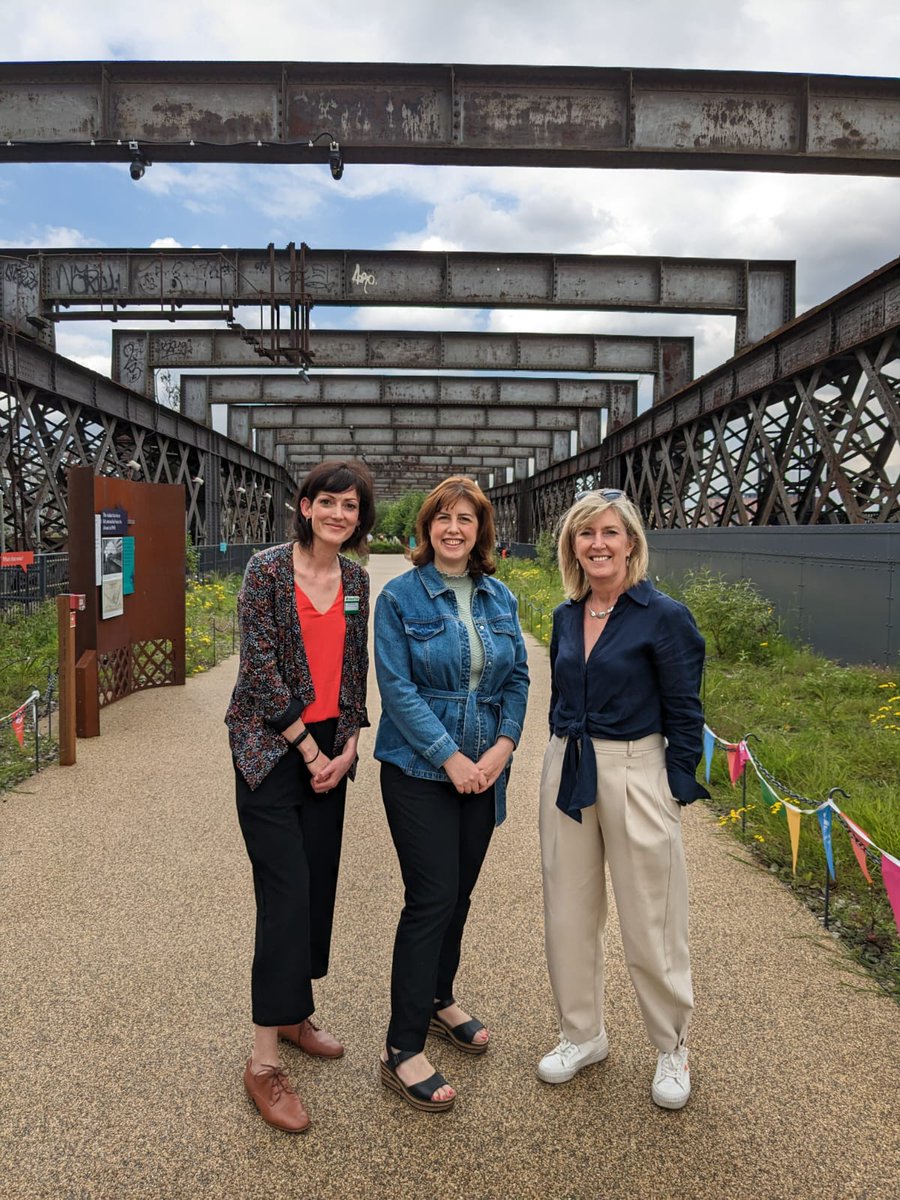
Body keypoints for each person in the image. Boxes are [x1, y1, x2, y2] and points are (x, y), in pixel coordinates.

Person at [536, 488, 708, 1111]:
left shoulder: (664, 616)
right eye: (586, 533)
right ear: (573, 545)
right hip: (569, 764)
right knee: (568, 911)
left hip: (637, 766)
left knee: (651, 917)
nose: (598, 544)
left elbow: (685, 708)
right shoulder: (565, 616)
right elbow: (561, 694)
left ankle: (671, 1045)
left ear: (631, 543)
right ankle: (582, 1034)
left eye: (610, 532)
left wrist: (673, 782)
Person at [225, 460, 375, 1133]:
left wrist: (348, 746)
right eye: (329, 502)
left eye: (352, 506)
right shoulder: (265, 571)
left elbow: (354, 669)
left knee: (316, 885)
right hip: (270, 750)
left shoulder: (357, 581)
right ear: (305, 506)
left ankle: (293, 1014)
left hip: (330, 749)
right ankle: (262, 1063)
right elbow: (259, 671)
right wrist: (311, 751)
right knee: (284, 895)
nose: (340, 514)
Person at [374, 476, 529, 1112]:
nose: (454, 528)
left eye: (466, 518)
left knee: (459, 893)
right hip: (418, 769)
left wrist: (502, 747)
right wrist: (451, 758)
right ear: (427, 528)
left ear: (480, 530)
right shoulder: (399, 597)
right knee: (431, 897)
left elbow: (518, 677)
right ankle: (402, 1046)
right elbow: (396, 688)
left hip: (486, 768)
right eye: (443, 517)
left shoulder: (500, 596)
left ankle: (440, 1000)